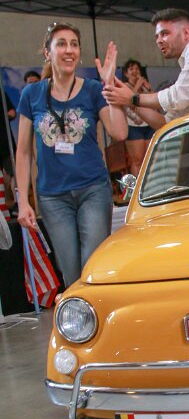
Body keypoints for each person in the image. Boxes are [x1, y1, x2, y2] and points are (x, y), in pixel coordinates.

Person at [16, 22, 128, 287]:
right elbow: (23, 151)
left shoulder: (92, 89)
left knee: (93, 267)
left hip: (93, 190)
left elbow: (119, 132)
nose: (69, 50)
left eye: (74, 44)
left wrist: (109, 85)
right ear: (48, 52)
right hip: (53, 197)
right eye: (62, 44)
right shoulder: (31, 94)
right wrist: (23, 201)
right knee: (72, 274)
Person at [120, 58, 155, 176]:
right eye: (131, 69)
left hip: (148, 124)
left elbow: (156, 103)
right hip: (133, 126)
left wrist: (148, 88)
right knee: (137, 160)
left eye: (137, 69)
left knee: (150, 158)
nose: (135, 71)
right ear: (126, 73)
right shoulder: (124, 86)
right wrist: (137, 86)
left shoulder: (144, 86)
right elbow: (128, 101)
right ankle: (137, 185)